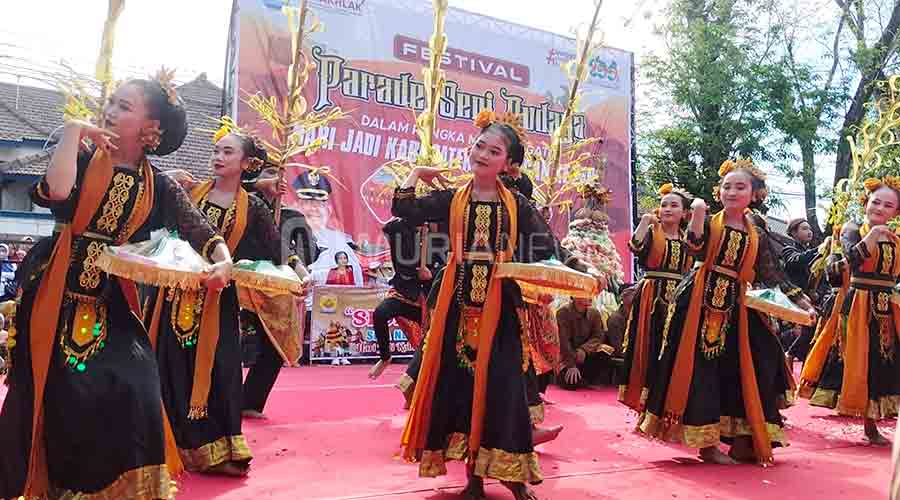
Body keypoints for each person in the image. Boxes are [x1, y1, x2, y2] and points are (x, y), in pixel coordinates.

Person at [0, 76, 232, 499]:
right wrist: (71, 133)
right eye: (111, 102)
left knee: (138, 384)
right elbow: (55, 190)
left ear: (152, 130)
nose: (110, 110)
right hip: (55, 295)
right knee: (60, 395)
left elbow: (199, 228)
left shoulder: (158, 184)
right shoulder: (85, 157)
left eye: (124, 106)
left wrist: (224, 263)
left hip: (111, 302)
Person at [394, 109, 605, 500]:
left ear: (508, 164)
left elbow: (549, 246)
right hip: (456, 306)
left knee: (505, 386)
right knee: (459, 387)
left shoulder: (517, 205)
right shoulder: (451, 198)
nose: (483, 154)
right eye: (480, 146)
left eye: (494, 151)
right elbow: (403, 210)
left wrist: (582, 266)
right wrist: (416, 174)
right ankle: (472, 477)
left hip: (501, 305)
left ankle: (513, 475)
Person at [637, 158, 815, 465]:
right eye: (726, 186)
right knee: (701, 368)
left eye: (740, 187)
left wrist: (801, 301)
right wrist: (697, 213)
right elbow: (695, 245)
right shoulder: (708, 219)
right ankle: (706, 444)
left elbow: (769, 271)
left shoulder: (756, 230)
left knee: (762, 355)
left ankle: (745, 436)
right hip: (696, 301)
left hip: (737, 302)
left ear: (755, 194)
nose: (731, 191)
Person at [150, 129, 283, 477]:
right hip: (176, 292)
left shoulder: (252, 206)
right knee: (172, 365)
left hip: (218, 297)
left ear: (246, 163)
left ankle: (218, 447)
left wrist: (298, 270)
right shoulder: (189, 192)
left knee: (221, 369)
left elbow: (275, 247)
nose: (218, 157)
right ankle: (169, 444)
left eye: (227, 152)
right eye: (216, 151)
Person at [798, 177, 900, 445]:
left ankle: (873, 420)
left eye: (888, 205)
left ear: (896, 212)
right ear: (866, 202)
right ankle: (867, 422)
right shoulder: (852, 228)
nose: (879, 208)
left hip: (886, 305)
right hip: (857, 303)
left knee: (883, 360)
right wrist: (872, 236)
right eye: (876, 201)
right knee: (860, 358)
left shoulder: (896, 240)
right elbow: (847, 262)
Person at [619, 183, 693, 411]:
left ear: (685, 213)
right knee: (650, 344)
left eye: (674, 205)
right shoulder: (653, 232)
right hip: (653, 295)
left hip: (679, 297)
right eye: (663, 205)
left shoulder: (688, 239)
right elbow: (634, 245)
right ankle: (645, 401)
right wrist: (644, 221)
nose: (668, 209)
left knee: (672, 347)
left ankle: (667, 399)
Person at [368, 217, 438, 379]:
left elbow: (449, 266)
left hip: (431, 298)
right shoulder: (402, 230)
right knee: (380, 313)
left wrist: (431, 274)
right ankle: (385, 357)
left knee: (431, 343)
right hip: (405, 292)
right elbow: (388, 228)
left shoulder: (441, 237)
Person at [295, 167, 364, 285]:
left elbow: (355, 284)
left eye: (320, 204)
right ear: (297, 207)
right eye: (307, 203)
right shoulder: (285, 238)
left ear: (329, 210)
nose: (314, 208)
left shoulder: (340, 242)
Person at [780, 218, 827, 363]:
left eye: (810, 229)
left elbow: (821, 278)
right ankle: (790, 354)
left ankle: (794, 355)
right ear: (793, 233)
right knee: (812, 325)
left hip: (812, 299)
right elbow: (797, 260)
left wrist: (819, 292)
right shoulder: (788, 250)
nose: (809, 232)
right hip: (795, 297)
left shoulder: (812, 253)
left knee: (816, 328)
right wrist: (820, 249)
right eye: (804, 229)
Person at [556, 297, 616, 390]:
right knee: (571, 384)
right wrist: (571, 364)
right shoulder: (563, 312)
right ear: (575, 297)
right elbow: (563, 341)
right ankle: (581, 380)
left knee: (606, 351)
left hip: (586, 354)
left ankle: (588, 379)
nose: (589, 298)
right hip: (567, 356)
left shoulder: (594, 313)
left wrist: (584, 349)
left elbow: (598, 336)